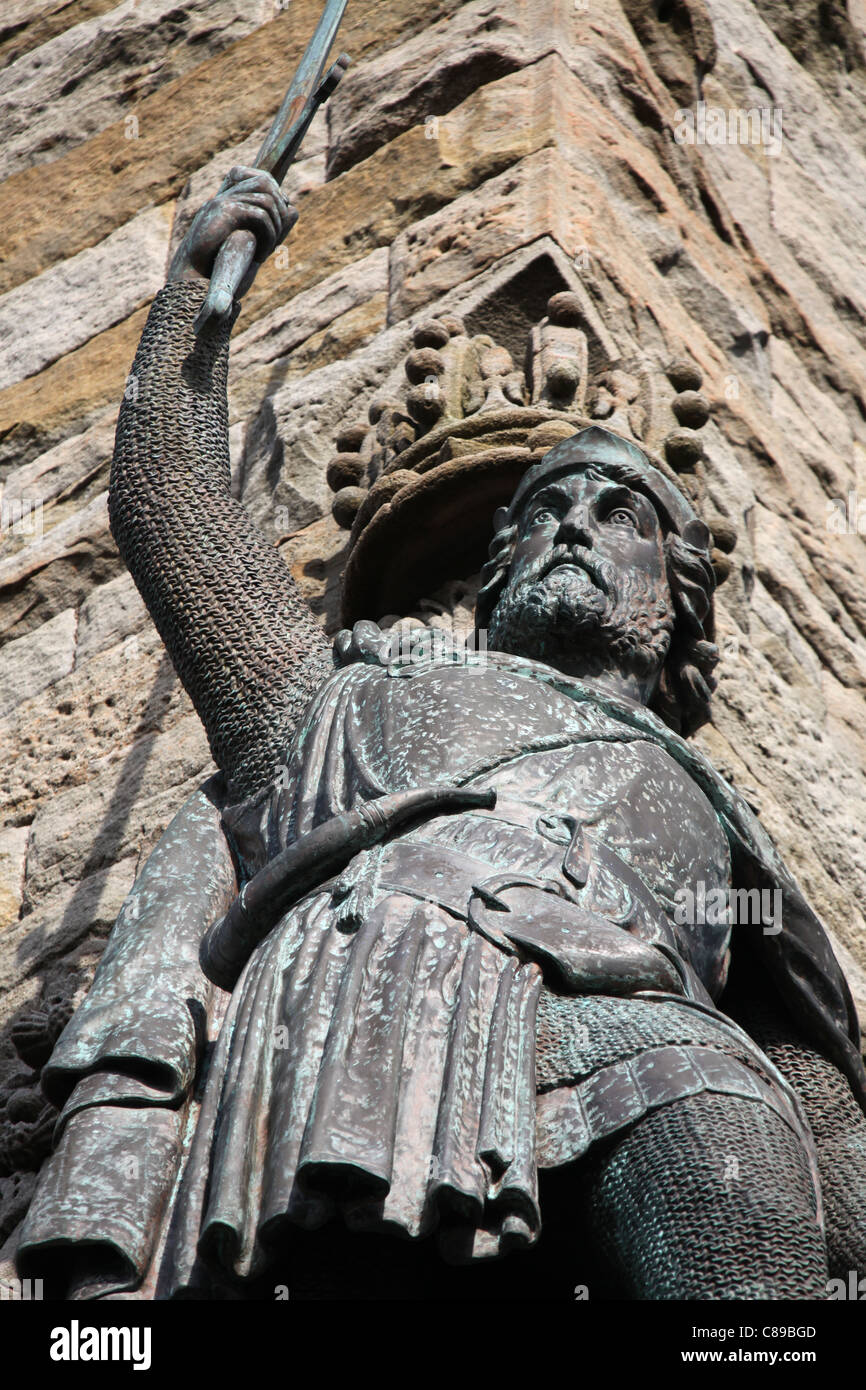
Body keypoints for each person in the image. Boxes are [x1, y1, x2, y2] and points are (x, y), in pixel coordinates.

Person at [17, 168, 866, 1300]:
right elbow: (172, 513)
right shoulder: (346, 702)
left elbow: (792, 1028)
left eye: (616, 514)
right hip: (394, 1004)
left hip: (650, 1026)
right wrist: (192, 293)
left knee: (745, 1208)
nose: (572, 526)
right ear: (497, 574)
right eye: (544, 516)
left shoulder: (708, 805)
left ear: (673, 601)